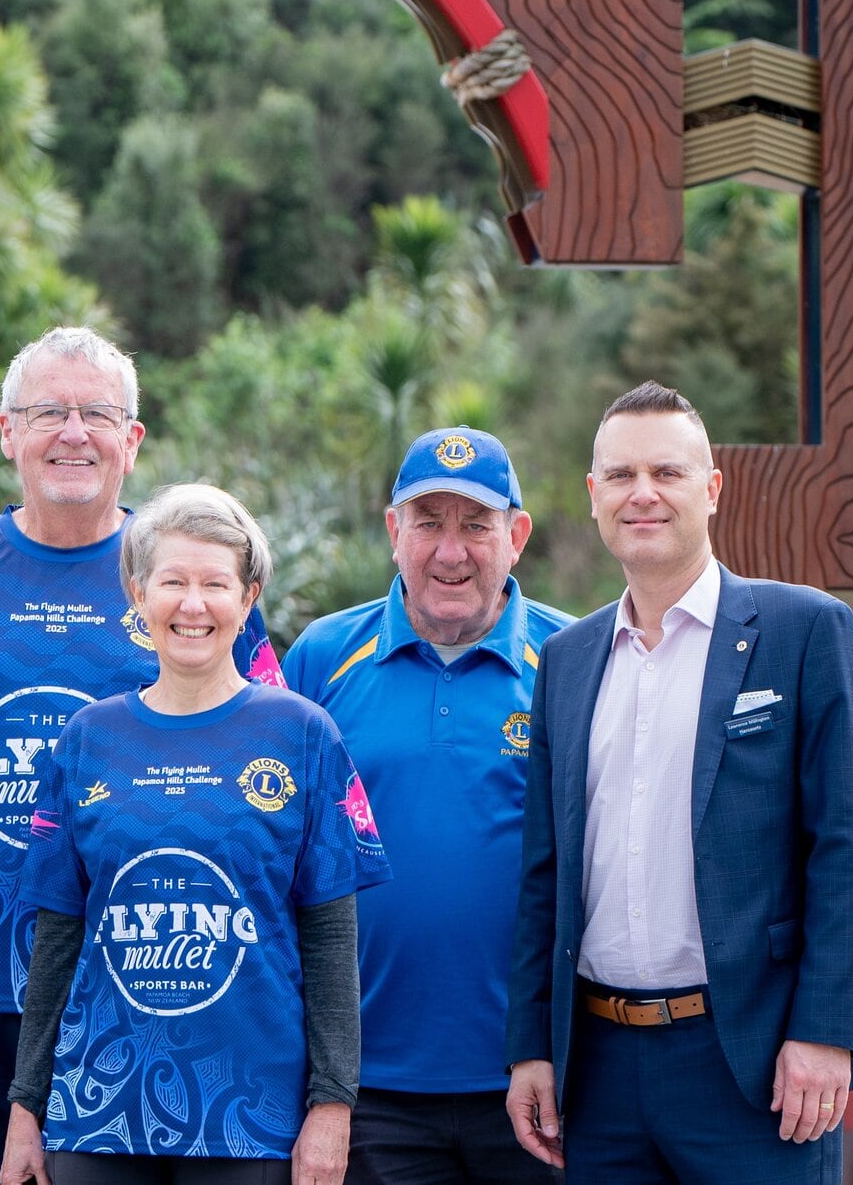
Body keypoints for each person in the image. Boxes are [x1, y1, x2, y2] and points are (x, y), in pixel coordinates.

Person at [0, 326, 286, 1185]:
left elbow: (265, 756)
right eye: (47, 412)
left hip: (134, 991)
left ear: (132, 441)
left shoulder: (188, 580)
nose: (73, 432)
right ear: (7, 432)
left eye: (97, 413)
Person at [504, 382, 853, 1182]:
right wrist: (532, 1045)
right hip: (598, 1073)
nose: (643, 494)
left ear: (711, 490)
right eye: (621, 475)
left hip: (754, 1063)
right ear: (594, 496)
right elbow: (547, 872)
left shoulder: (803, 631)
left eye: (667, 473)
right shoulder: (567, 662)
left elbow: (847, 850)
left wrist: (826, 1031)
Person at [0, 483, 390, 1185]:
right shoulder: (87, 739)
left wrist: (332, 1107)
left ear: (248, 598)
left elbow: (331, 942)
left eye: (216, 583)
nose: (193, 604)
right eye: (173, 581)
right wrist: (28, 1108)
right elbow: (56, 939)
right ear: (137, 593)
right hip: (101, 1115)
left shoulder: (304, 734)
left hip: (251, 1118)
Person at [285, 427, 569, 1184]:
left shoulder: (573, 660)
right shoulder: (319, 658)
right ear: (392, 532)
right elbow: (275, 859)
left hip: (534, 1081)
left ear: (516, 536)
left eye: (476, 525)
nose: (452, 552)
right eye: (428, 523)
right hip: (364, 1089)